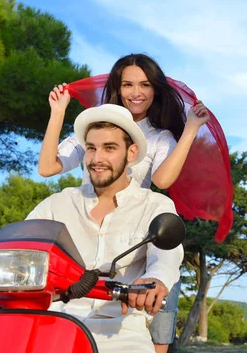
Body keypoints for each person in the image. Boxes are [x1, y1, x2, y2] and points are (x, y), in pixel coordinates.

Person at [0, 104, 184, 353]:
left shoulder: (154, 205)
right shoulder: (58, 204)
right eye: (91, 148)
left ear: (131, 153)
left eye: (109, 148)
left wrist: (156, 279)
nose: (97, 158)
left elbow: (167, 256)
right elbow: (13, 246)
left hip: (119, 331)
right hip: (53, 322)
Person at [38, 53, 209, 352]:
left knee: (157, 311)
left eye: (144, 84)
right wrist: (57, 112)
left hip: (135, 237)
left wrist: (191, 129)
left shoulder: (159, 137)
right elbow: (48, 167)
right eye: (127, 84)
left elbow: (163, 180)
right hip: (86, 232)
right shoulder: (97, 125)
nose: (136, 92)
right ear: (117, 87)